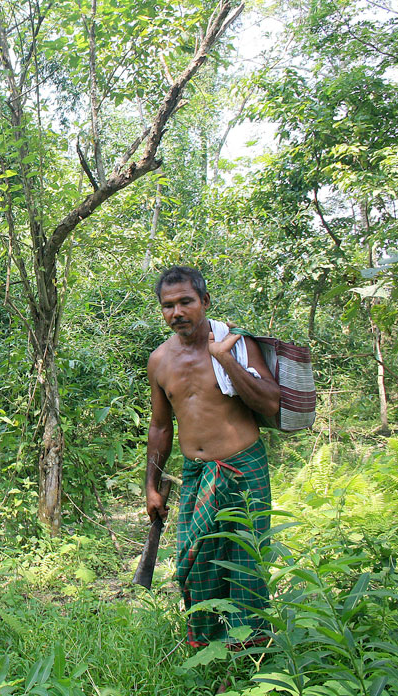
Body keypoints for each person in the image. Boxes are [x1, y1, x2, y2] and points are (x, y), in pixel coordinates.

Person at [145, 266, 280, 648]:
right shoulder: (159, 360)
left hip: (243, 468)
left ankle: (251, 650)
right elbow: (160, 427)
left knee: (246, 563)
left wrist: (225, 360)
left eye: (185, 301)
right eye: (168, 306)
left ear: (204, 301)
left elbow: (270, 402)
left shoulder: (235, 344)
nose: (177, 312)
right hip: (197, 473)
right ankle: (207, 646)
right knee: (195, 561)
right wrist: (151, 486)